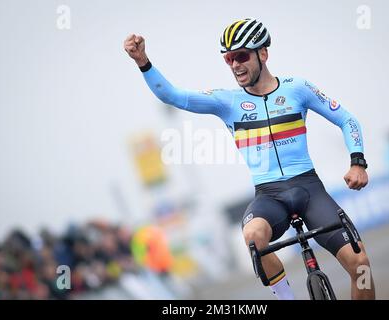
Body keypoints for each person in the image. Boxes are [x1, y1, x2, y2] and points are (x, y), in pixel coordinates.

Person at [124, 18, 375, 300]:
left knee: (361, 265)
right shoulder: (226, 102)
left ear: (263, 54)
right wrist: (143, 62)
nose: (235, 65)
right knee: (253, 236)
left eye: (241, 56)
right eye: (229, 58)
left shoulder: (297, 88)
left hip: (309, 189)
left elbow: (346, 119)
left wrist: (357, 162)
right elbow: (172, 96)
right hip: (270, 196)